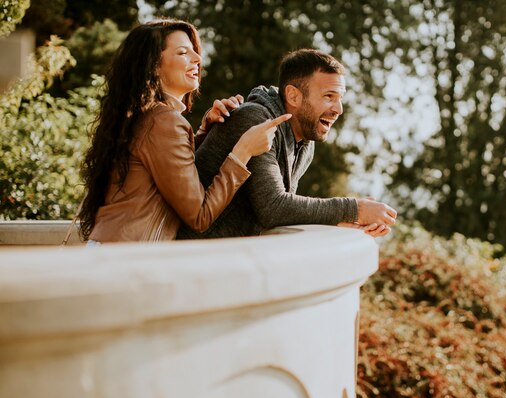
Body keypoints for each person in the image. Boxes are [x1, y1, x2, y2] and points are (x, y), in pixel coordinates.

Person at [78, 19, 290, 243]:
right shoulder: (164, 122)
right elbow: (200, 215)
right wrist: (243, 151)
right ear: (153, 66)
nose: (198, 59)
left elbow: (166, 171)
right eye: (182, 53)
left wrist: (204, 132)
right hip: (128, 259)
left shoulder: (147, 117)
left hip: (114, 249)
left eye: (194, 52)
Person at [177, 49, 396, 240]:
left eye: (340, 98)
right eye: (329, 96)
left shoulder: (304, 142)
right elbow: (273, 208)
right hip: (186, 261)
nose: (339, 109)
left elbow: (283, 211)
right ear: (293, 96)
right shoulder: (256, 121)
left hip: (227, 261)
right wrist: (355, 209)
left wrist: (343, 220)